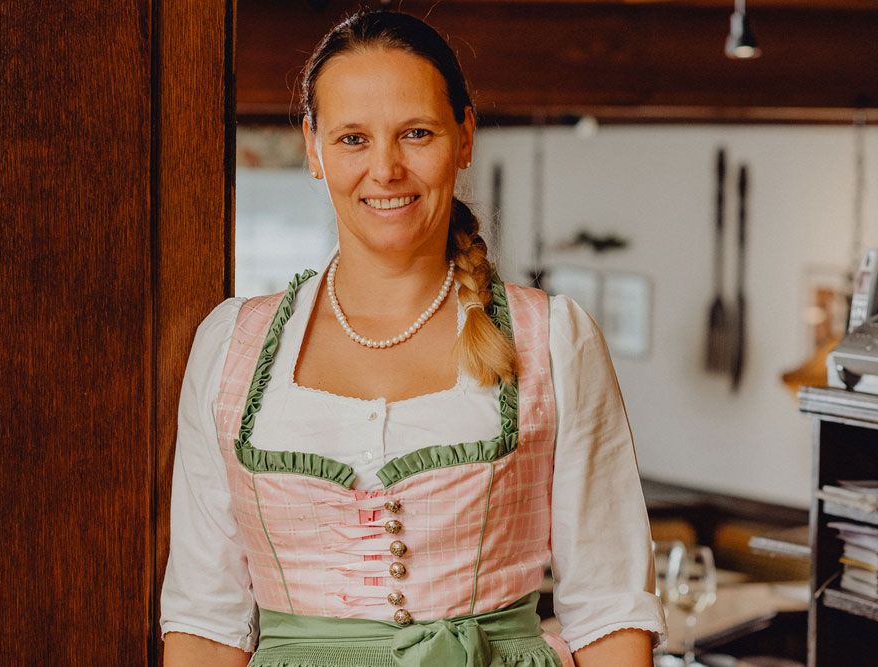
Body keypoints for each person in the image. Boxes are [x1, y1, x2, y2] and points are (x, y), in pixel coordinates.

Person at [160, 9, 667, 667]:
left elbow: (611, 612)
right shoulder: (231, 344)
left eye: (416, 133)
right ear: (313, 148)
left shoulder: (554, 340)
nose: (386, 169)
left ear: (464, 137)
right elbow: (205, 623)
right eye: (352, 139)